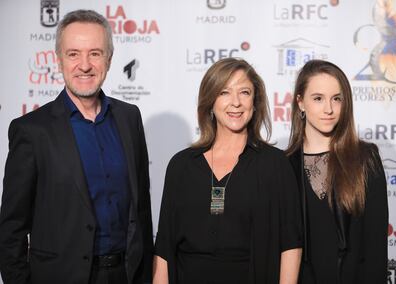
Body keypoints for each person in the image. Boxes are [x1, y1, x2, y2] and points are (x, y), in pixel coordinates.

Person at [0, 10, 153, 284]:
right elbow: (12, 228)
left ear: (109, 59)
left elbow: (141, 209)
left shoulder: (130, 118)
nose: (85, 65)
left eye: (95, 53)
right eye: (73, 54)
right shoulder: (32, 130)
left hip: (126, 275)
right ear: (59, 60)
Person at [153, 58, 302, 284]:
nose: (236, 103)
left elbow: (291, 243)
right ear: (210, 101)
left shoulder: (274, 164)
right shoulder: (181, 166)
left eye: (244, 92)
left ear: (255, 101)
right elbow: (164, 246)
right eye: (224, 92)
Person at [286, 59, 388, 284]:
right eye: (318, 99)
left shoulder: (365, 158)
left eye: (336, 99)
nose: (329, 109)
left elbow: (375, 249)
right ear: (301, 103)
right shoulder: (284, 165)